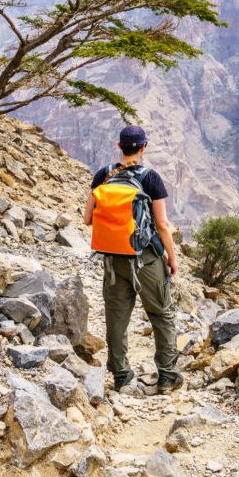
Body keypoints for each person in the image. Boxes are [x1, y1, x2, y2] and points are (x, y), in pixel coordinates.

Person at [82, 125, 183, 393]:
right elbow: (162, 225)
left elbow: (87, 219)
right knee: (161, 314)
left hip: (114, 260)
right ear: (143, 147)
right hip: (147, 259)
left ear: (119, 147)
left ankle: (121, 376)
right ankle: (167, 376)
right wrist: (171, 259)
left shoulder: (104, 175)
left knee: (116, 318)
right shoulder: (151, 178)